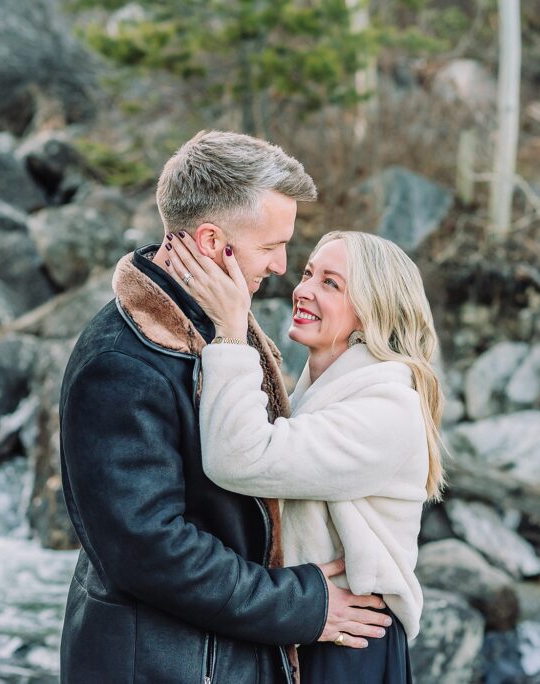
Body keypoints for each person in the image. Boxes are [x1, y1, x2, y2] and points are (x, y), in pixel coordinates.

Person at [58, 131, 392, 683]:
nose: (282, 266)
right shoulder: (121, 362)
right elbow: (149, 550)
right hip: (165, 667)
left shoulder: (214, 320)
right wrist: (302, 605)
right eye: (271, 247)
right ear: (213, 242)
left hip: (213, 653)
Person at [164, 229, 446, 683]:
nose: (304, 289)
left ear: (372, 311)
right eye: (308, 273)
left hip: (350, 641)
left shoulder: (388, 407)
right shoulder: (321, 393)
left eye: (330, 283)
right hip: (308, 622)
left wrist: (232, 334)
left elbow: (240, 457)